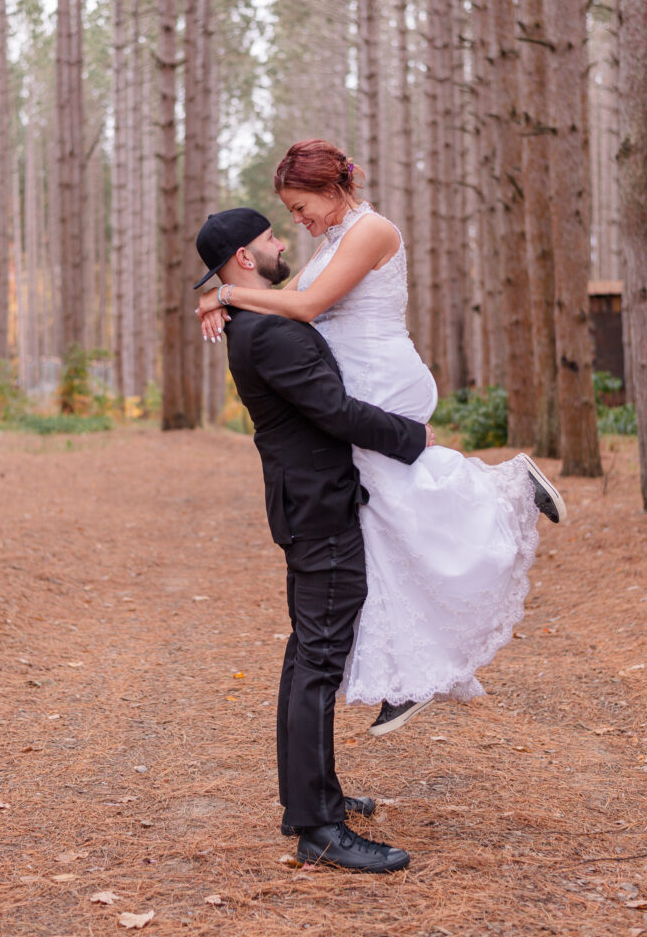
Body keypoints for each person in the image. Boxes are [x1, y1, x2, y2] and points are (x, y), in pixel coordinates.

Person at [197, 139, 566, 739]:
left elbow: (309, 305)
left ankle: (511, 488)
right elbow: (290, 301)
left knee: (396, 505)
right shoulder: (333, 240)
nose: (298, 221)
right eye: (290, 213)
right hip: (355, 379)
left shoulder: (370, 230)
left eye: (300, 205)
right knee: (382, 526)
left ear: (331, 188)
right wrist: (227, 296)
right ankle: (411, 670)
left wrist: (228, 294)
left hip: (379, 379)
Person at [193, 206, 436, 872]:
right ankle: (318, 829)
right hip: (318, 508)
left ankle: (309, 799)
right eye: (271, 238)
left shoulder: (259, 317)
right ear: (246, 256)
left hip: (310, 504)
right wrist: (413, 437)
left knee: (309, 654)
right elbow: (333, 412)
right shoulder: (269, 332)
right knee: (319, 661)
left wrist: (216, 297)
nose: (282, 245)